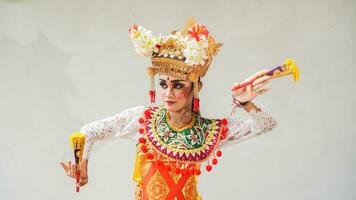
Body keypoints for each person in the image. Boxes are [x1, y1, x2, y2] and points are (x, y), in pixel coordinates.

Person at [59, 19, 277, 200]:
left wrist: (245, 103)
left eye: (178, 85)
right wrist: (82, 165)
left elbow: (266, 125)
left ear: (196, 87)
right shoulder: (142, 121)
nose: (168, 93)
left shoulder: (208, 132)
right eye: (164, 84)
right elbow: (89, 131)